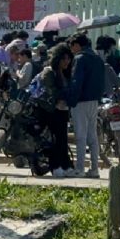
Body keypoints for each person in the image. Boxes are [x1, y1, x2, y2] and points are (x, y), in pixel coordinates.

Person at [67, 34, 105, 178]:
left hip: (81, 101)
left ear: (77, 45)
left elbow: (77, 81)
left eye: (72, 46)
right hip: (94, 101)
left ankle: (80, 168)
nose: (71, 49)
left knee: (80, 136)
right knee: (92, 136)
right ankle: (94, 168)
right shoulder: (97, 59)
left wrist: (71, 100)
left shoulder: (79, 58)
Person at [37, 44, 74, 177]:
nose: (67, 62)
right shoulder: (49, 72)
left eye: (69, 59)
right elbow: (50, 90)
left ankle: (65, 165)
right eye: (64, 59)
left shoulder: (65, 73)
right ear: (58, 58)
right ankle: (56, 166)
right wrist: (61, 96)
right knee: (54, 140)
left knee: (63, 139)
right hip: (51, 111)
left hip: (63, 110)